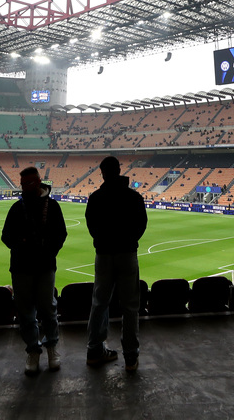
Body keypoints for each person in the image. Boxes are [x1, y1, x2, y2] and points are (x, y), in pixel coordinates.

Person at [1, 167, 67, 375]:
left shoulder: (53, 206)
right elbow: (6, 236)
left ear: (39, 181)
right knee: (25, 311)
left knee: (48, 307)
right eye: (23, 184)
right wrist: (22, 244)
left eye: (30, 182)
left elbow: (61, 234)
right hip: (21, 267)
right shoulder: (16, 208)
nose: (27, 187)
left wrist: (48, 251)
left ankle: (52, 347)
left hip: (45, 265)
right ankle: (32, 350)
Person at [85, 155, 148, 371]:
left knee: (99, 302)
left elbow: (91, 225)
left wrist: (102, 241)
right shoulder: (133, 197)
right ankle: (130, 356)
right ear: (119, 170)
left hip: (103, 254)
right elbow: (141, 224)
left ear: (102, 173)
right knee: (130, 306)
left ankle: (94, 351)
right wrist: (129, 241)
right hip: (127, 254)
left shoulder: (95, 198)